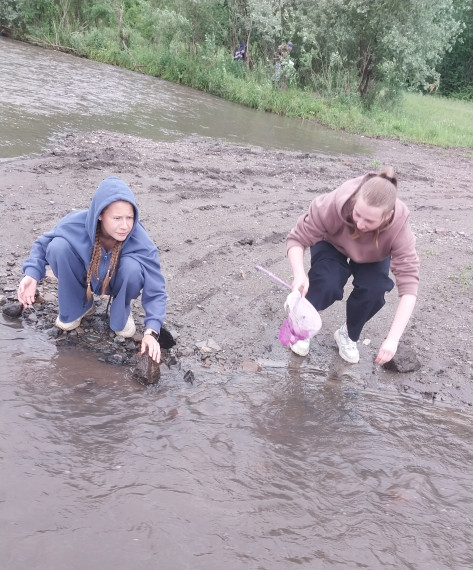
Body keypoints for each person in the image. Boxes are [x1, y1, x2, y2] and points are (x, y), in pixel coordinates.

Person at [17, 176, 167, 363]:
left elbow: (156, 287)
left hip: (116, 283)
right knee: (57, 247)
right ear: (100, 214)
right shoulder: (74, 223)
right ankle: (78, 306)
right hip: (84, 276)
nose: (125, 226)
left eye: (130, 217)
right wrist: (31, 275)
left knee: (133, 268)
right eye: (117, 218)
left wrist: (151, 331)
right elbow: (41, 245)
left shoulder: (140, 239)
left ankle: (120, 312)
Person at [286, 167, 419, 365]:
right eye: (358, 214)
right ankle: (301, 326)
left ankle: (348, 334)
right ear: (355, 201)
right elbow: (297, 239)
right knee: (327, 281)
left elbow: (409, 287)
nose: (360, 224)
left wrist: (392, 340)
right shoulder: (333, 204)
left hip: (374, 253)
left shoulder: (399, 227)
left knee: (375, 289)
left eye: (369, 221)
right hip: (332, 242)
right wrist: (299, 274)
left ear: (387, 216)